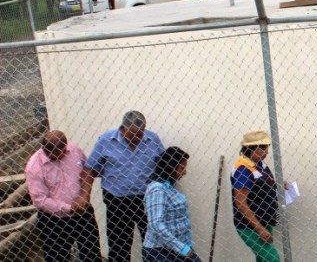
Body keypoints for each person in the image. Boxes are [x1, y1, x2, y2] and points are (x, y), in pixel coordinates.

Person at [82, 111, 166, 262]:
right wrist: (85, 196)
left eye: (140, 134)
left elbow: (165, 166)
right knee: (119, 245)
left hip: (147, 199)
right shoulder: (106, 140)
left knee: (154, 242)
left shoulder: (152, 139)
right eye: (133, 134)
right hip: (117, 200)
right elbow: (90, 168)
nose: (137, 138)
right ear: (123, 128)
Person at [25, 130, 102, 262]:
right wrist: (69, 208)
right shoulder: (34, 167)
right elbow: (40, 200)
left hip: (83, 213)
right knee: (57, 257)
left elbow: (87, 172)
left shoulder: (74, 150)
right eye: (56, 154)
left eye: (63, 151)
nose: (61, 155)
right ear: (46, 150)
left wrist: (84, 196)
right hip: (53, 219)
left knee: (92, 255)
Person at [231, 130, 282, 262]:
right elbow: (240, 202)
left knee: (263, 259)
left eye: (267, 147)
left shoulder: (259, 164)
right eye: (262, 148)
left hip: (264, 220)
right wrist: (260, 229)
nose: (266, 152)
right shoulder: (243, 170)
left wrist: (279, 184)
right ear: (250, 148)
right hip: (250, 226)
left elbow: (262, 183)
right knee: (273, 259)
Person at [143, 146, 201, 262]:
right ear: (171, 167)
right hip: (160, 251)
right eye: (181, 168)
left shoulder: (168, 187)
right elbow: (156, 224)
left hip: (177, 248)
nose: (184, 172)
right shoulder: (157, 189)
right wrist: (182, 248)